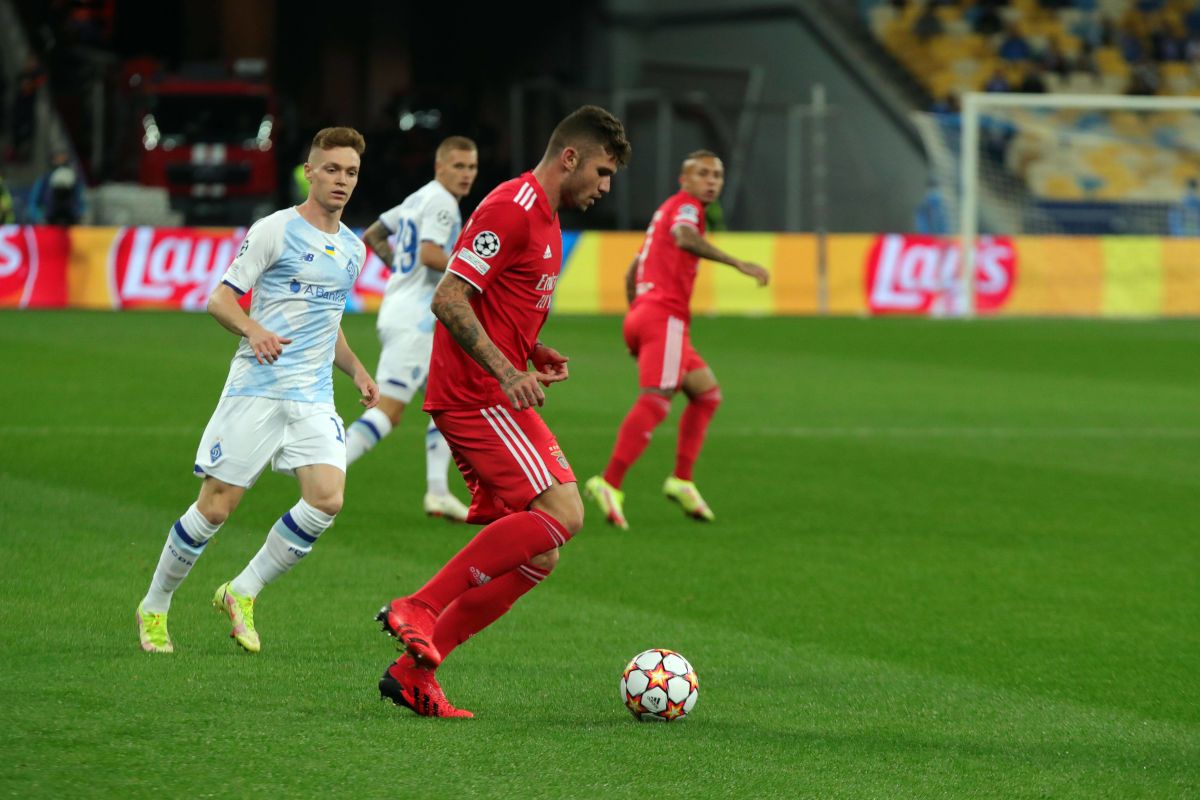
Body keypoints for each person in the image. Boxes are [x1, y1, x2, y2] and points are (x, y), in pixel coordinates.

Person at [375, 106, 631, 717]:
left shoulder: (545, 219)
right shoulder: (511, 209)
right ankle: (420, 607)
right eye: (600, 172)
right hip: (474, 394)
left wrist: (529, 350)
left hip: (491, 386)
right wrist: (507, 370)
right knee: (565, 512)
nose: (604, 187)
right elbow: (450, 297)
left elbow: (494, 303)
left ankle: (415, 672)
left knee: (538, 553)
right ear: (569, 156)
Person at [135, 127, 380, 654]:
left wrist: (356, 369)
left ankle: (241, 591)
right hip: (258, 388)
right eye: (331, 169)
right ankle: (155, 605)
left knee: (327, 499)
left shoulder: (354, 249)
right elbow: (220, 299)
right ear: (309, 172)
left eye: (351, 172)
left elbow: (327, 321)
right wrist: (254, 328)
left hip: (313, 396)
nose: (341, 180)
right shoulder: (274, 230)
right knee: (216, 508)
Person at [583, 151, 769, 530]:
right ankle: (609, 482)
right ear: (684, 179)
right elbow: (685, 238)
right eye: (703, 174)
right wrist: (738, 263)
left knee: (706, 394)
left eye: (717, 174)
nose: (712, 181)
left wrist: (636, 319)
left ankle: (682, 480)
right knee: (657, 398)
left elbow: (631, 272)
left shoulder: (665, 210)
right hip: (663, 317)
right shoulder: (686, 209)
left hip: (647, 316)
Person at [343, 136, 479, 521]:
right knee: (389, 410)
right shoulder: (442, 202)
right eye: (458, 166)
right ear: (439, 167)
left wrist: (402, 276)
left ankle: (437, 491)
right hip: (418, 320)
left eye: (471, 167)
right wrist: (475, 274)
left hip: (404, 310)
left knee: (452, 403)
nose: (466, 174)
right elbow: (431, 253)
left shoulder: (419, 197)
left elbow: (373, 234)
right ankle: (328, 469)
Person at [27, 152, 85, 224]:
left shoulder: (75, 180)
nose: (60, 158)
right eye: (57, 156)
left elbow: (82, 204)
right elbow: (33, 204)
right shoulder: (44, 180)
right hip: (49, 222)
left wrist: (79, 217)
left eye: (63, 155)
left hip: (71, 223)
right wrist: (40, 218)